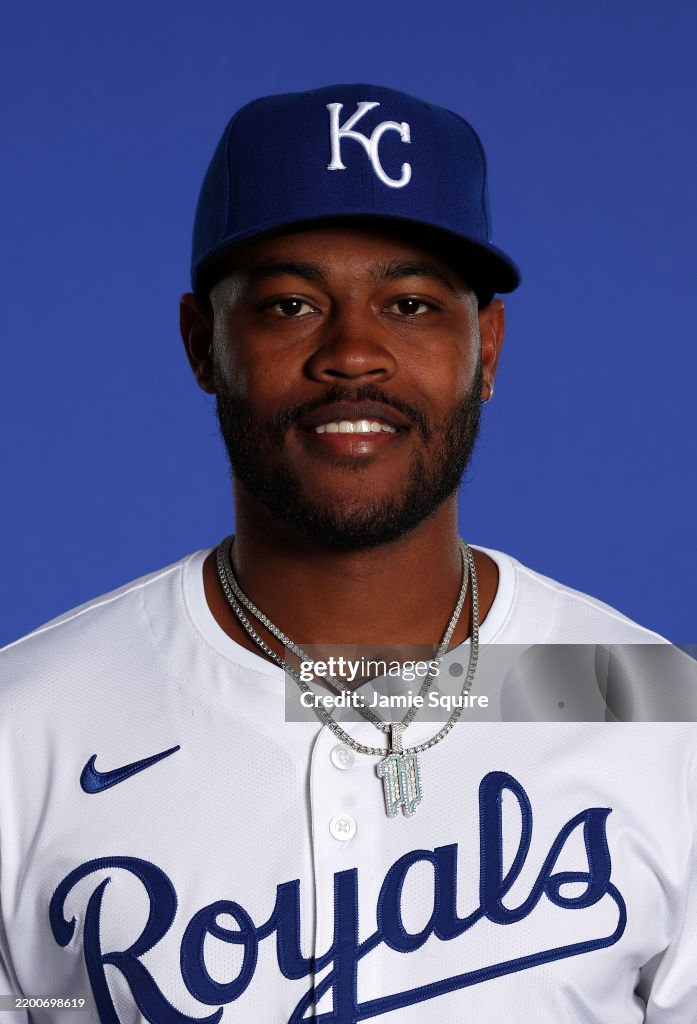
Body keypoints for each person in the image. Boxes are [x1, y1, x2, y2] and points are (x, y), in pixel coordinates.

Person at [0, 84, 694, 1024]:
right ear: (203, 344)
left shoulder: (652, 709)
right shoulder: (24, 729)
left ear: (485, 349)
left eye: (408, 304)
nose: (354, 352)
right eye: (290, 304)